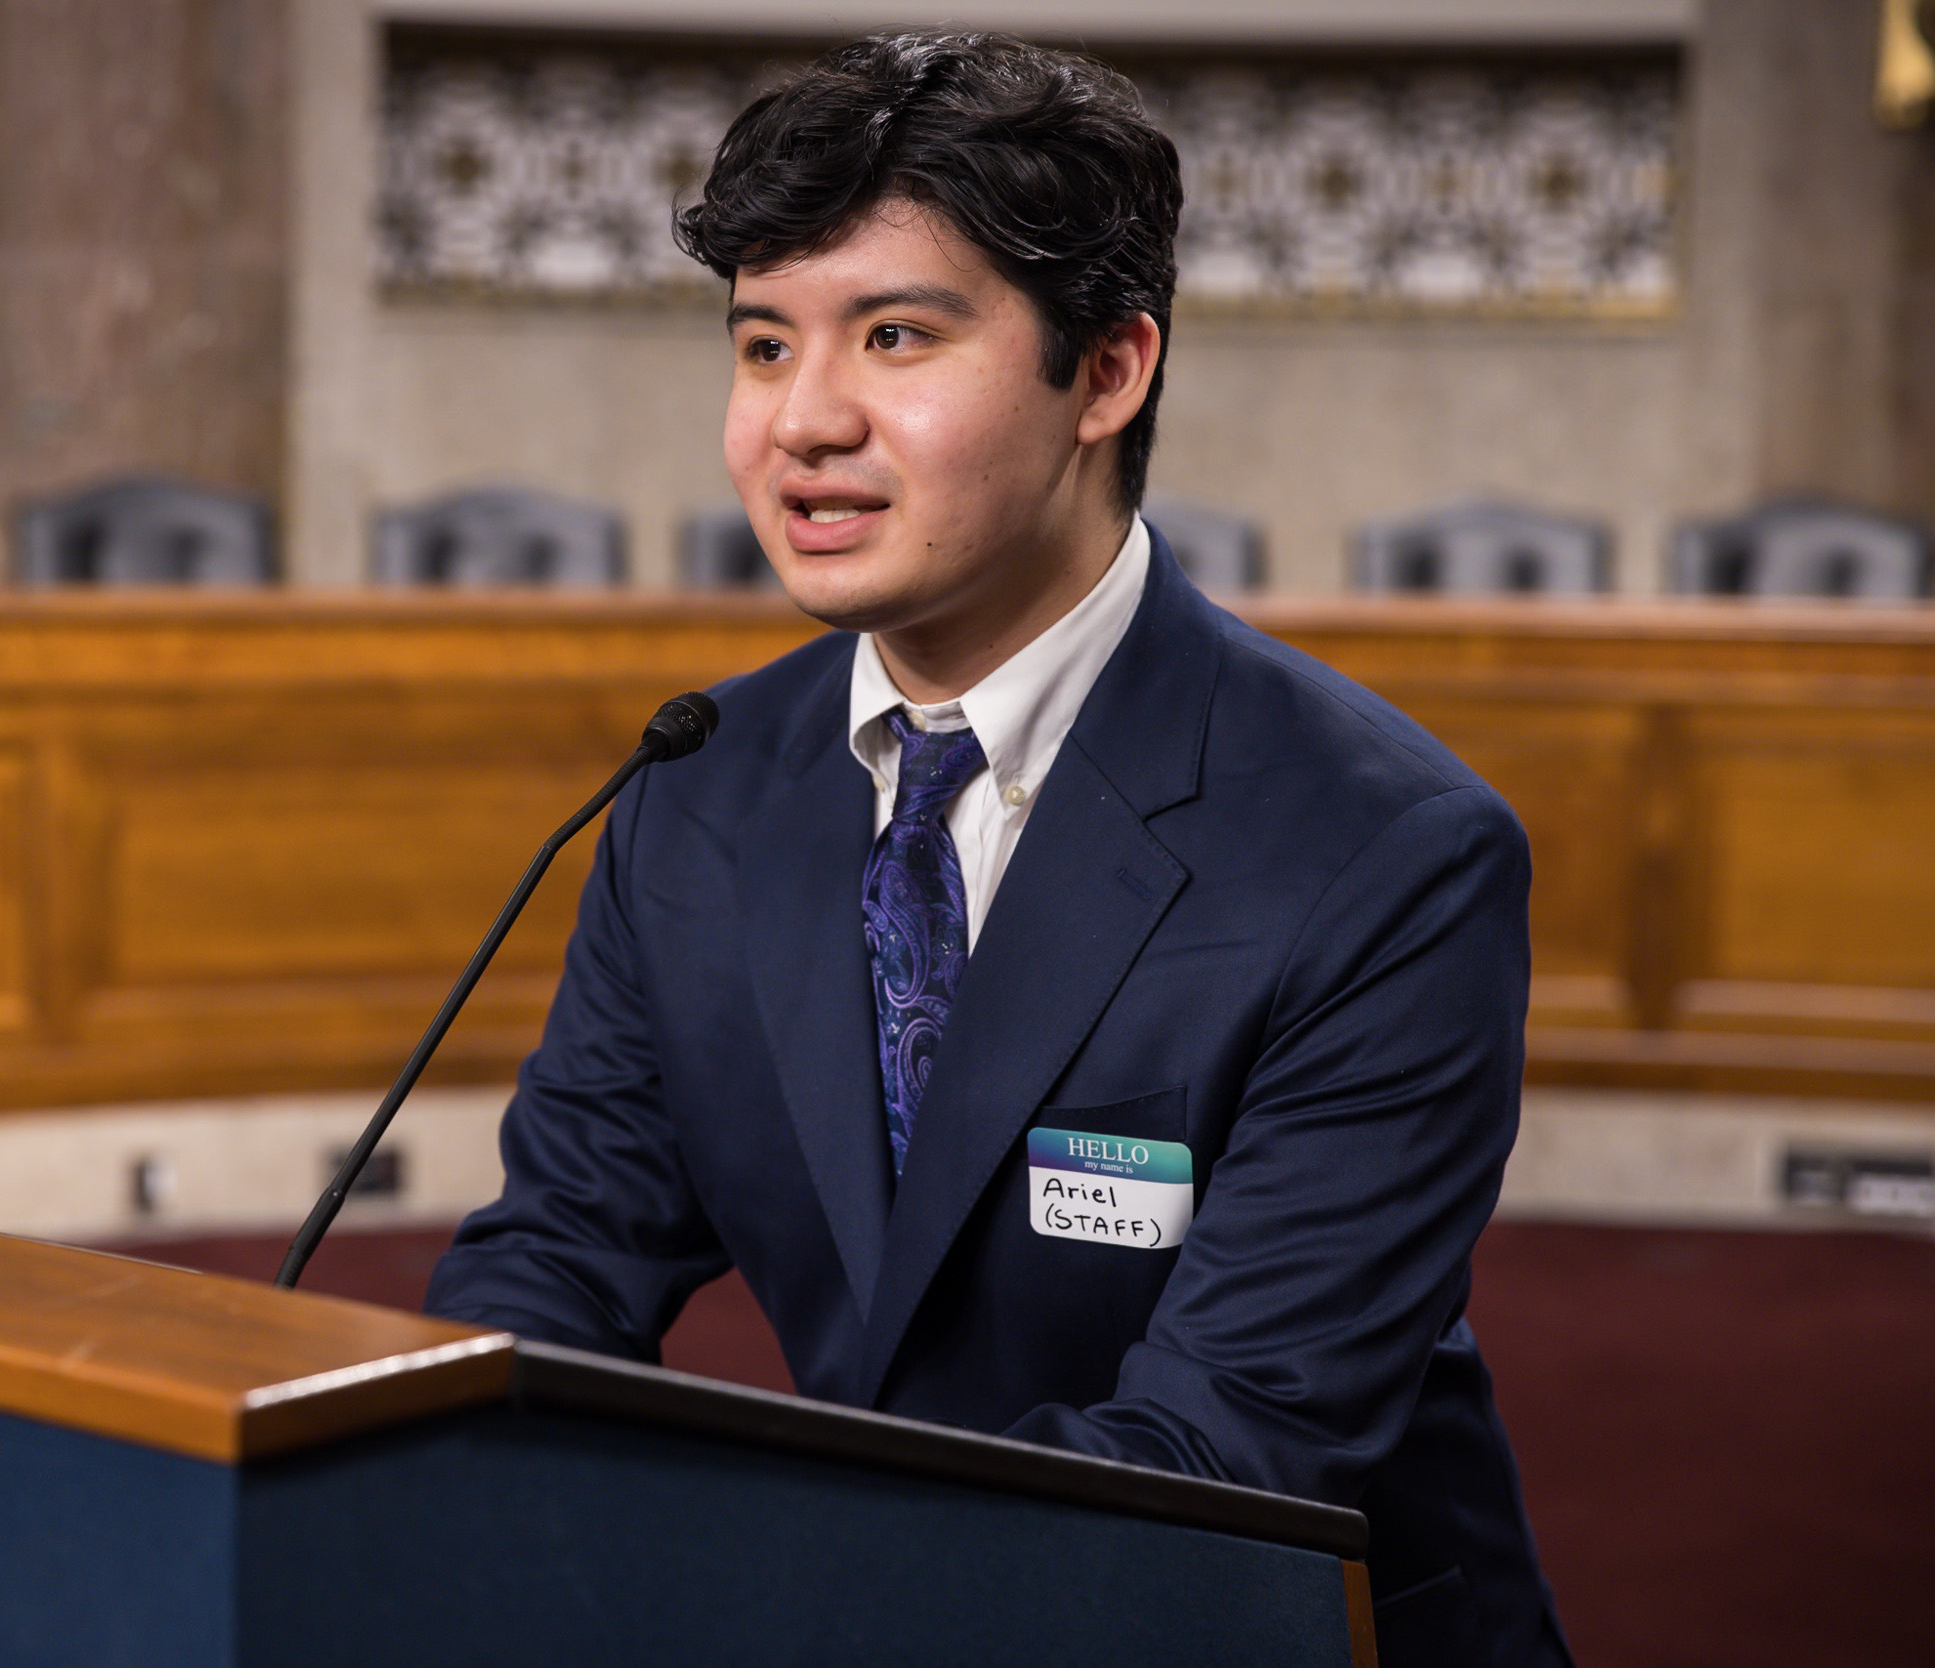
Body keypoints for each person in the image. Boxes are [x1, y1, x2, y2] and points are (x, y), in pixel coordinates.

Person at [426, 31, 1570, 1667]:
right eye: (761, 346)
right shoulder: (699, 786)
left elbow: (1222, 1460)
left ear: (1108, 370)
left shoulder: (1389, 857)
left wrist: (735, 1584)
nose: (802, 422)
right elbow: (560, 1251)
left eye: (895, 336)